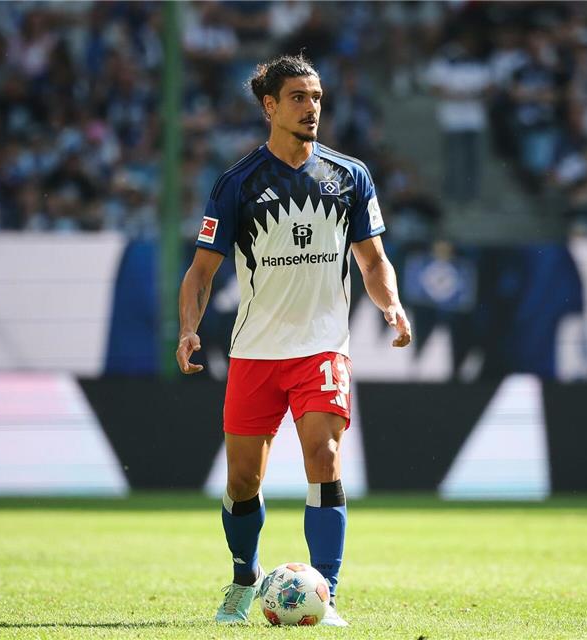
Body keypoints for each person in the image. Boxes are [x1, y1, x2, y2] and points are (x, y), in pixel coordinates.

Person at [175, 54, 412, 626]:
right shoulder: (237, 184)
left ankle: (325, 592)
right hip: (255, 352)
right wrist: (187, 328)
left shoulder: (349, 176)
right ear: (270, 106)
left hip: (322, 347)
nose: (312, 108)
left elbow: (373, 260)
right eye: (300, 98)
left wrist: (392, 305)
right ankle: (243, 577)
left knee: (324, 457)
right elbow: (201, 271)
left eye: (317, 97)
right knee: (242, 480)